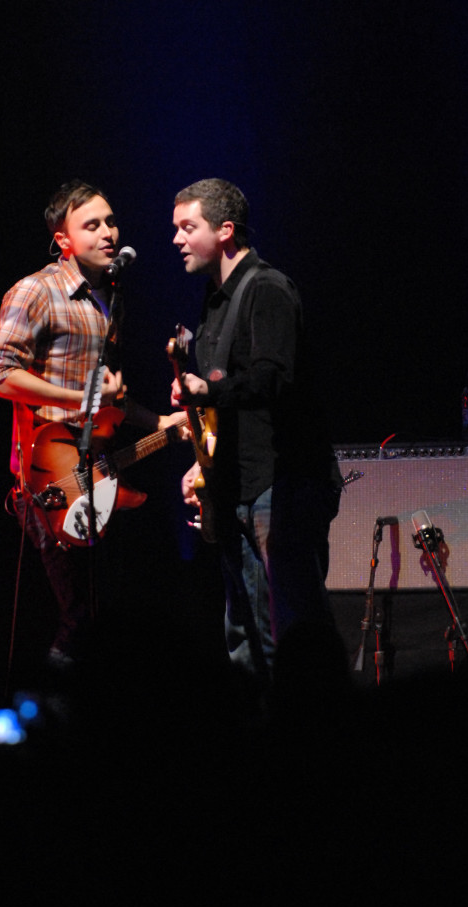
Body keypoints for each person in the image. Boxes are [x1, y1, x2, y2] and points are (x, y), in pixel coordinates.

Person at [0, 179, 182, 677]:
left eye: (110, 221)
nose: (107, 232)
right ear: (63, 239)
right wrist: (80, 399)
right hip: (47, 479)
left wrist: (159, 421)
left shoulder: (108, 297)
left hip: (95, 471)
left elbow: (106, 396)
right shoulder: (37, 290)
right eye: (91, 225)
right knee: (77, 622)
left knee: (106, 616)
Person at [170, 178, 344, 697]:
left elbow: (273, 379)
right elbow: (224, 408)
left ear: (225, 230)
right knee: (246, 637)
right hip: (236, 487)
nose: (177, 239)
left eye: (187, 227)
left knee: (296, 629)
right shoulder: (214, 301)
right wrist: (202, 461)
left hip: (283, 485)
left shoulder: (267, 289)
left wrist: (207, 389)